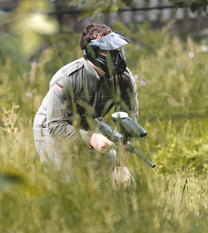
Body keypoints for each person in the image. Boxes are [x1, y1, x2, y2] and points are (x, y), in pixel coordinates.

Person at [33, 23, 138, 188]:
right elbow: (55, 124)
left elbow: (128, 122)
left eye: (117, 51)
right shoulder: (67, 78)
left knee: (121, 183)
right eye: (109, 52)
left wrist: (121, 165)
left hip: (88, 127)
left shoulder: (123, 78)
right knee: (68, 186)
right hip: (52, 127)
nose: (117, 56)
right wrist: (91, 138)